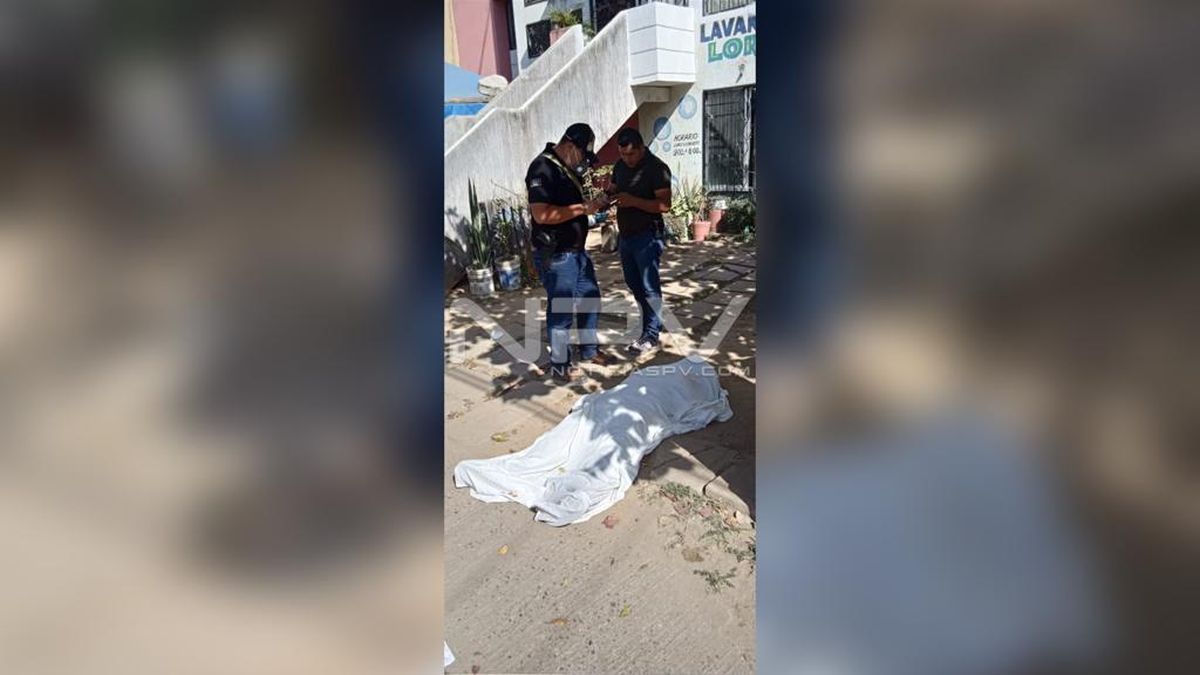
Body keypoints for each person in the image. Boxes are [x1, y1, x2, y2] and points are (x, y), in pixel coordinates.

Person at [525, 123, 614, 383]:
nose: (584, 162)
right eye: (583, 155)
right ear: (570, 145)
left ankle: (589, 350)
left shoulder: (565, 169)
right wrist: (583, 208)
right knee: (562, 310)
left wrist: (593, 207)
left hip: (576, 252)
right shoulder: (542, 168)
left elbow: (571, 207)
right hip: (557, 255)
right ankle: (560, 364)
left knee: (590, 298)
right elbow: (541, 214)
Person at [609, 128, 672, 354]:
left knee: (648, 285)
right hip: (626, 235)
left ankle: (651, 335)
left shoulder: (657, 168)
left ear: (641, 148)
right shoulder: (619, 166)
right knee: (633, 283)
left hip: (648, 235)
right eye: (623, 154)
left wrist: (633, 201)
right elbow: (612, 189)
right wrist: (605, 199)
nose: (627, 159)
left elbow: (665, 205)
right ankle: (652, 320)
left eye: (631, 154)